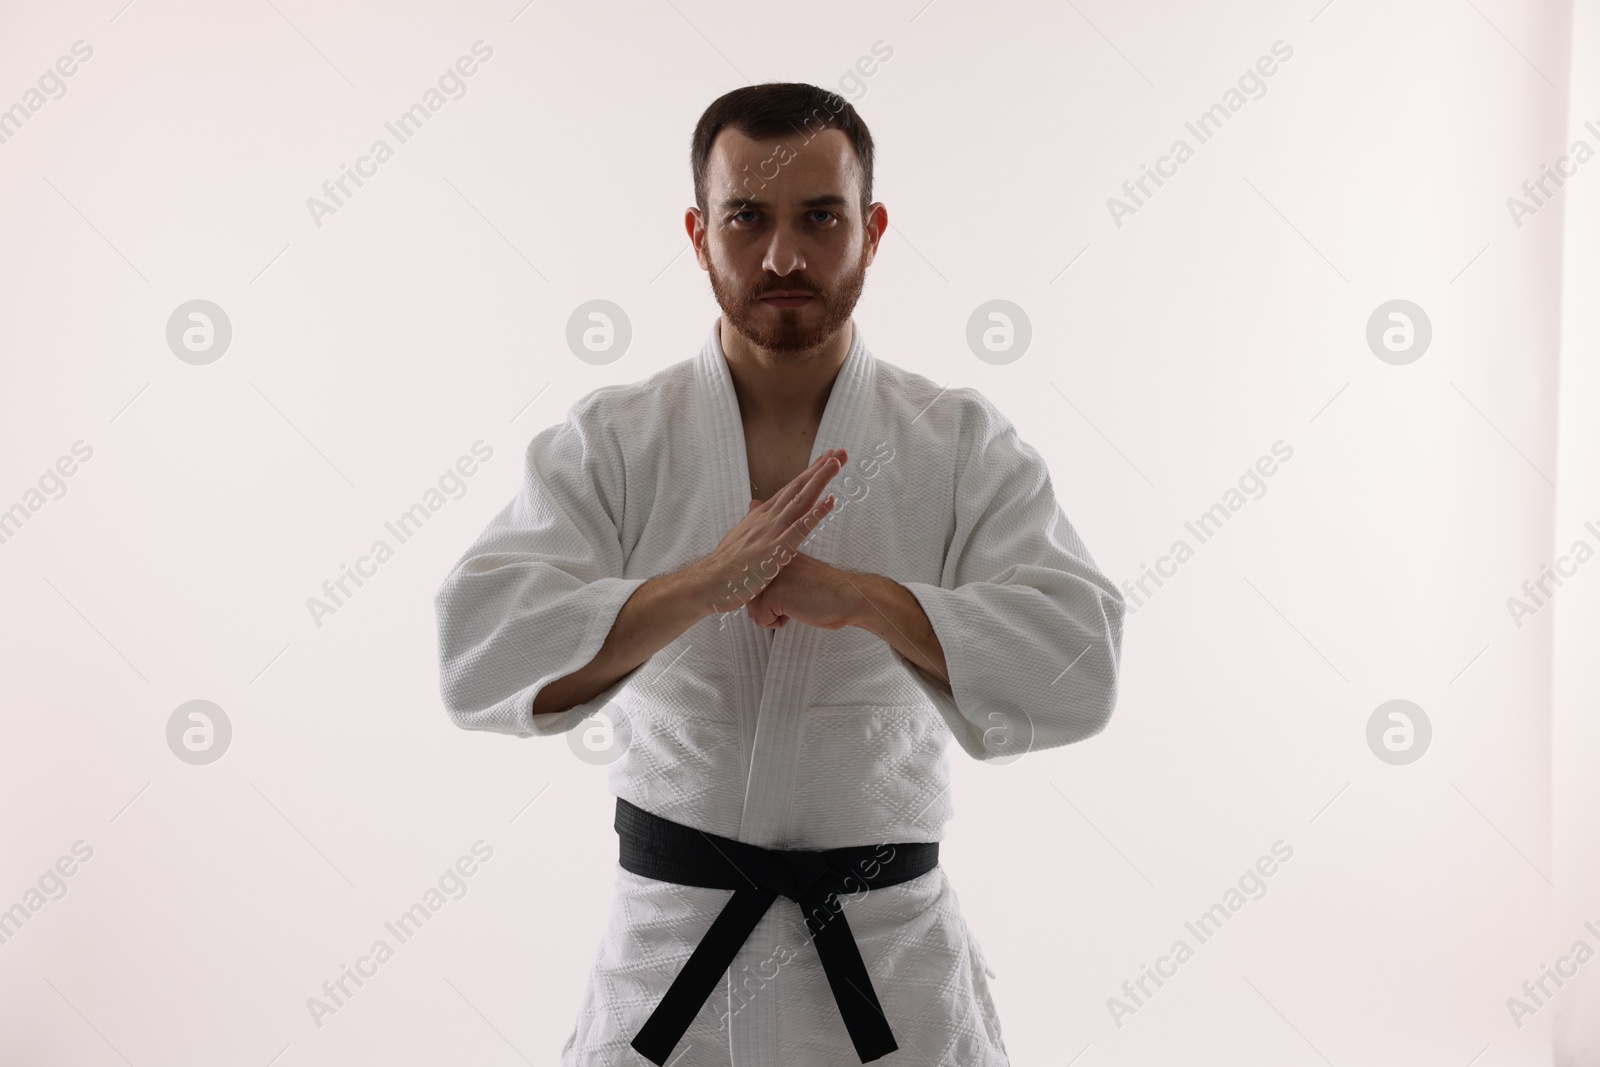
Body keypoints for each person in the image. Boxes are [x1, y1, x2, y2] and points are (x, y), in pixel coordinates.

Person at [433, 81, 1125, 1067]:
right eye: (747, 218)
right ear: (698, 231)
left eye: (821, 218)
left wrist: (859, 598)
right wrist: (700, 586)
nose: (784, 256)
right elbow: (477, 645)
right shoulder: (618, 441)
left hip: (893, 977)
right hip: (666, 968)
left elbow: (1079, 661)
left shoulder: (959, 442)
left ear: (874, 230)